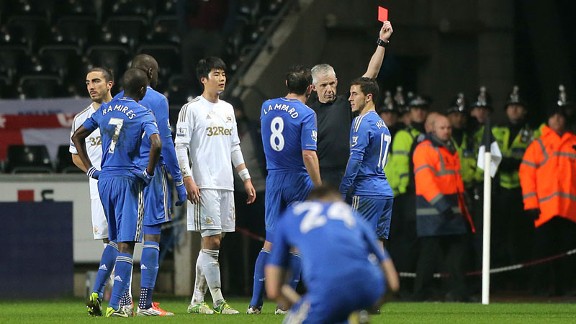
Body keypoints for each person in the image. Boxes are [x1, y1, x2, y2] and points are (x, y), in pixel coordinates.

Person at [72, 68, 162, 317]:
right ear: (143, 90)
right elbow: (156, 143)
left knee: (113, 239)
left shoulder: (104, 110)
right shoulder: (142, 111)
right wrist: (149, 173)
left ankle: (97, 292)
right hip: (127, 179)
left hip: (105, 180)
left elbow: (77, 136)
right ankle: (117, 307)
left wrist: (90, 169)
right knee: (127, 242)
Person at [175, 56, 256, 315]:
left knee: (214, 241)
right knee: (212, 241)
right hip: (204, 184)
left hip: (225, 185)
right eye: (216, 73)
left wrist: (245, 178)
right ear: (203, 79)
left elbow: (234, 146)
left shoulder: (228, 109)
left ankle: (197, 300)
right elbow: (180, 147)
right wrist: (187, 178)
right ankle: (218, 300)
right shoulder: (191, 109)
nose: (222, 78)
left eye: (223, 73)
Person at [112, 54, 187, 316]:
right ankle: (144, 303)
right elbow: (164, 142)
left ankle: (122, 301)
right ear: (149, 73)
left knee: (123, 238)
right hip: (149, 174)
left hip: (120, 176)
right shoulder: (156, 100)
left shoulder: (115, 103)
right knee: (151, 235)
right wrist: (178, 180)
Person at [247, 65, 322, 315]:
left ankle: (254, 304)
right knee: (296, 245)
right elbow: (309, 153)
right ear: (310, 88)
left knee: (269, 243)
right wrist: (320, 187)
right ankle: (284, 306)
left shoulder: (267, 106)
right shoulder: (307, 113)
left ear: (286, 83)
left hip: (274, 179)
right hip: (298, 179)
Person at [265, 185, 399, 323]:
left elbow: (273, 289)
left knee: (297, 319)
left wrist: (301, 307)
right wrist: (371, 306)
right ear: (337, 201)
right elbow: (393, 282)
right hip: (371, 285)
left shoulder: (291, 215)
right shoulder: (350, 215)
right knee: (341, 316)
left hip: (328, 290)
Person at [309, 20, 393, 187]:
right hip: (321, 177)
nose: (329, 89)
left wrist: (382, 42)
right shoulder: (308, 112)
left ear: (337, 81)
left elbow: (371, 75)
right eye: (323, 85)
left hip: (349, 175)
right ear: (313, 87)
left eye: (332, 84)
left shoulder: (346, 103)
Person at [412, 113, 475, 302]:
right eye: (442, 128)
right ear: (432, 129)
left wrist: (462, 199)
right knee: (430, 256)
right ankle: (421, 293)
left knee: (454, 255)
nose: (447, 131)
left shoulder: (449, 148)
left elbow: (453, 179)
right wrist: (442, 205)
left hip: (450, 211)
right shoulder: (425, 149)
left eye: (448, 128)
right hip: (434, 212)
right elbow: (425, 181)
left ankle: (457, 292)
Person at [70, 67, 114, 317]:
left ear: (110, 84)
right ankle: (116, 297)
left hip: (122, 183)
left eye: (96, 81)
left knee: (122, 240)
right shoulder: (81, 119)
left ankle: (121, 298)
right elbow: (75, 155)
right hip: (98, 186)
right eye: (87, 82)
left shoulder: (122, 111)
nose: (91, 86)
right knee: (110, 241)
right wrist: (92, 172)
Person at [519, 105, 576, 296]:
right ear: (548, 120)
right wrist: (531, 204)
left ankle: (566, 288)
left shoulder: (574, 143)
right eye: (553, 116)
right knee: (542, 252)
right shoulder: (538, 145)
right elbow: (527, 176)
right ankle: (538, 288)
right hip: (545, 210)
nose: (557, 120)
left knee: (567, 253)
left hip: (570, 210)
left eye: (560, 117)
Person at [491, 86, 539, 290]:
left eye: (518, 107)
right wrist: (511, 162)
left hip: (522, 191)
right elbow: (491, 158)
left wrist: (508, 162)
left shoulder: (533, 132)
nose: (515, 110)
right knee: (498, 237)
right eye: (511, 107)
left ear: (525, 110)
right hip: (501, 190)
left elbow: (531, 160)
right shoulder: (496, 130)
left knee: (520, 238)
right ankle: (500, 281)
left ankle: (522, 282)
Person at [339, 77, 394, 248]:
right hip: (384, 192)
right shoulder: (381, 124)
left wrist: (342, 191)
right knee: (377, 248)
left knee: (355, 245)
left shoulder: (361, 122)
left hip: (365, 191)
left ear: (368, 97)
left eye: (354, 94)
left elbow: (355, 159)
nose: (350, 98)